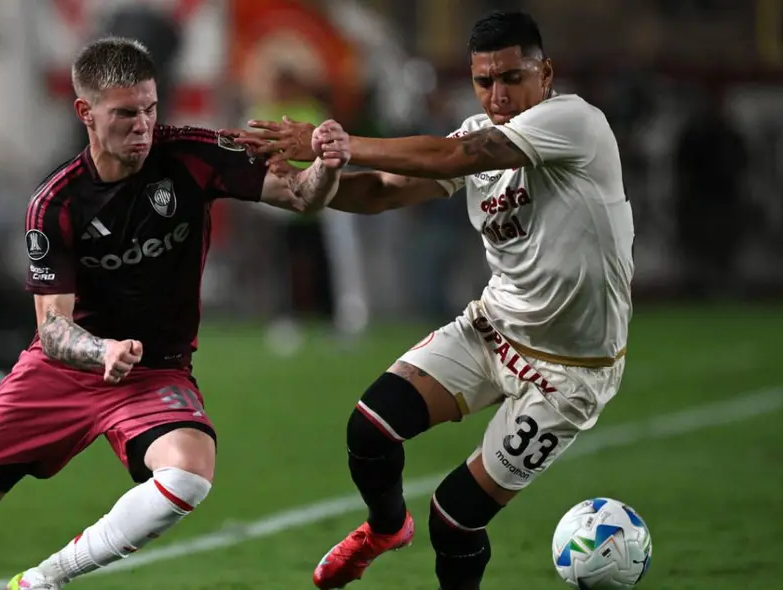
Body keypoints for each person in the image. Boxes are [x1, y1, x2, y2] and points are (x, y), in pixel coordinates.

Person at [0, 37, 351, 590]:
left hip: (153, 370)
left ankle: (43, 580)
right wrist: (102, 349)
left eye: (151, 109)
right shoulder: (55, 204)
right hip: (62, 371)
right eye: (126, 113)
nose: (144, 125)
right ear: (85, 112)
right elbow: (52, 331)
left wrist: (327, 167)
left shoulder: (191, 156)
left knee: (188, 473)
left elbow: (300, 196)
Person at [233, 11, 634, 590]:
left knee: (453, 518)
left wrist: (346, 142)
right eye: (483, 81)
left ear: (545, 74)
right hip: (493, 329)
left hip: (567, 373)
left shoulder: (574, 122)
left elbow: (459, 158)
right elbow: (382, 193)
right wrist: (300, 185)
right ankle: (385, 527)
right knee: (369, 428)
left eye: (512, 78)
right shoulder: (478, 130)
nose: (497, 96)